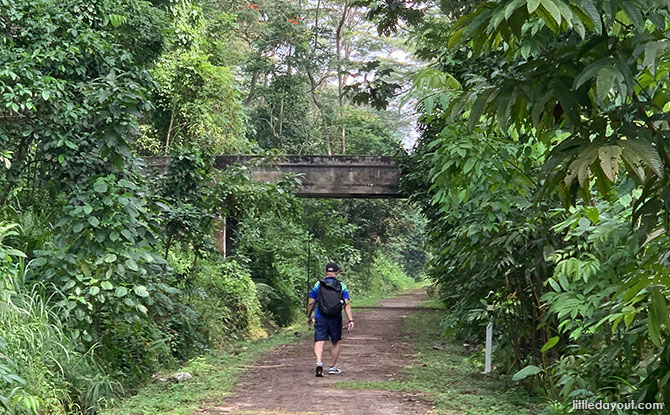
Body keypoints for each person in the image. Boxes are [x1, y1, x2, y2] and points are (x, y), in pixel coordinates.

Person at [306, 262, 354, 377]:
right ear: (337, 272)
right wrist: (350, 320)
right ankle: (332, 367)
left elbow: (311, 302)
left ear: (326, 272)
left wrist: (309, 315)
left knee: (319, 340)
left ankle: (319, 363)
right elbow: (346, 303)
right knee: (335, 341)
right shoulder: (342, 285)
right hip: (335, 317)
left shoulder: (318, 284)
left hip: (320, 316)